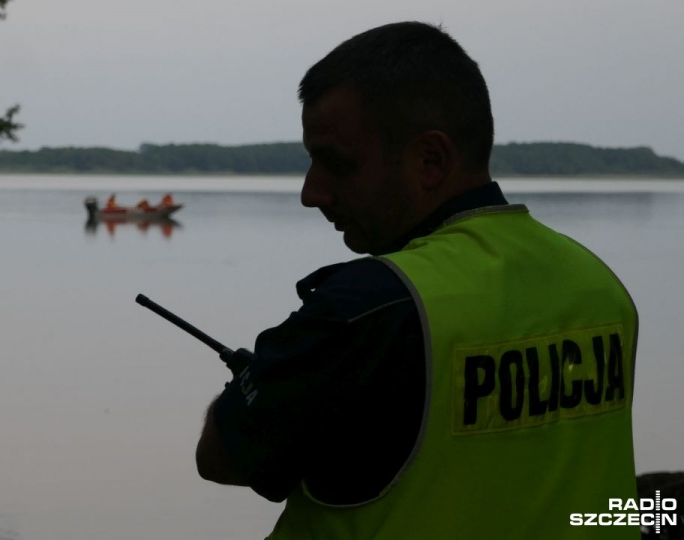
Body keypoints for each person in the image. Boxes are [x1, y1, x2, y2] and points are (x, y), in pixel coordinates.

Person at [194, 21, 639, 539]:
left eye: (335, 163)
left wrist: (271, 376)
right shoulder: (599, 283)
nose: (311, 193)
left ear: (430, 161)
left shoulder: (370, 307)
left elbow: (223, 458)